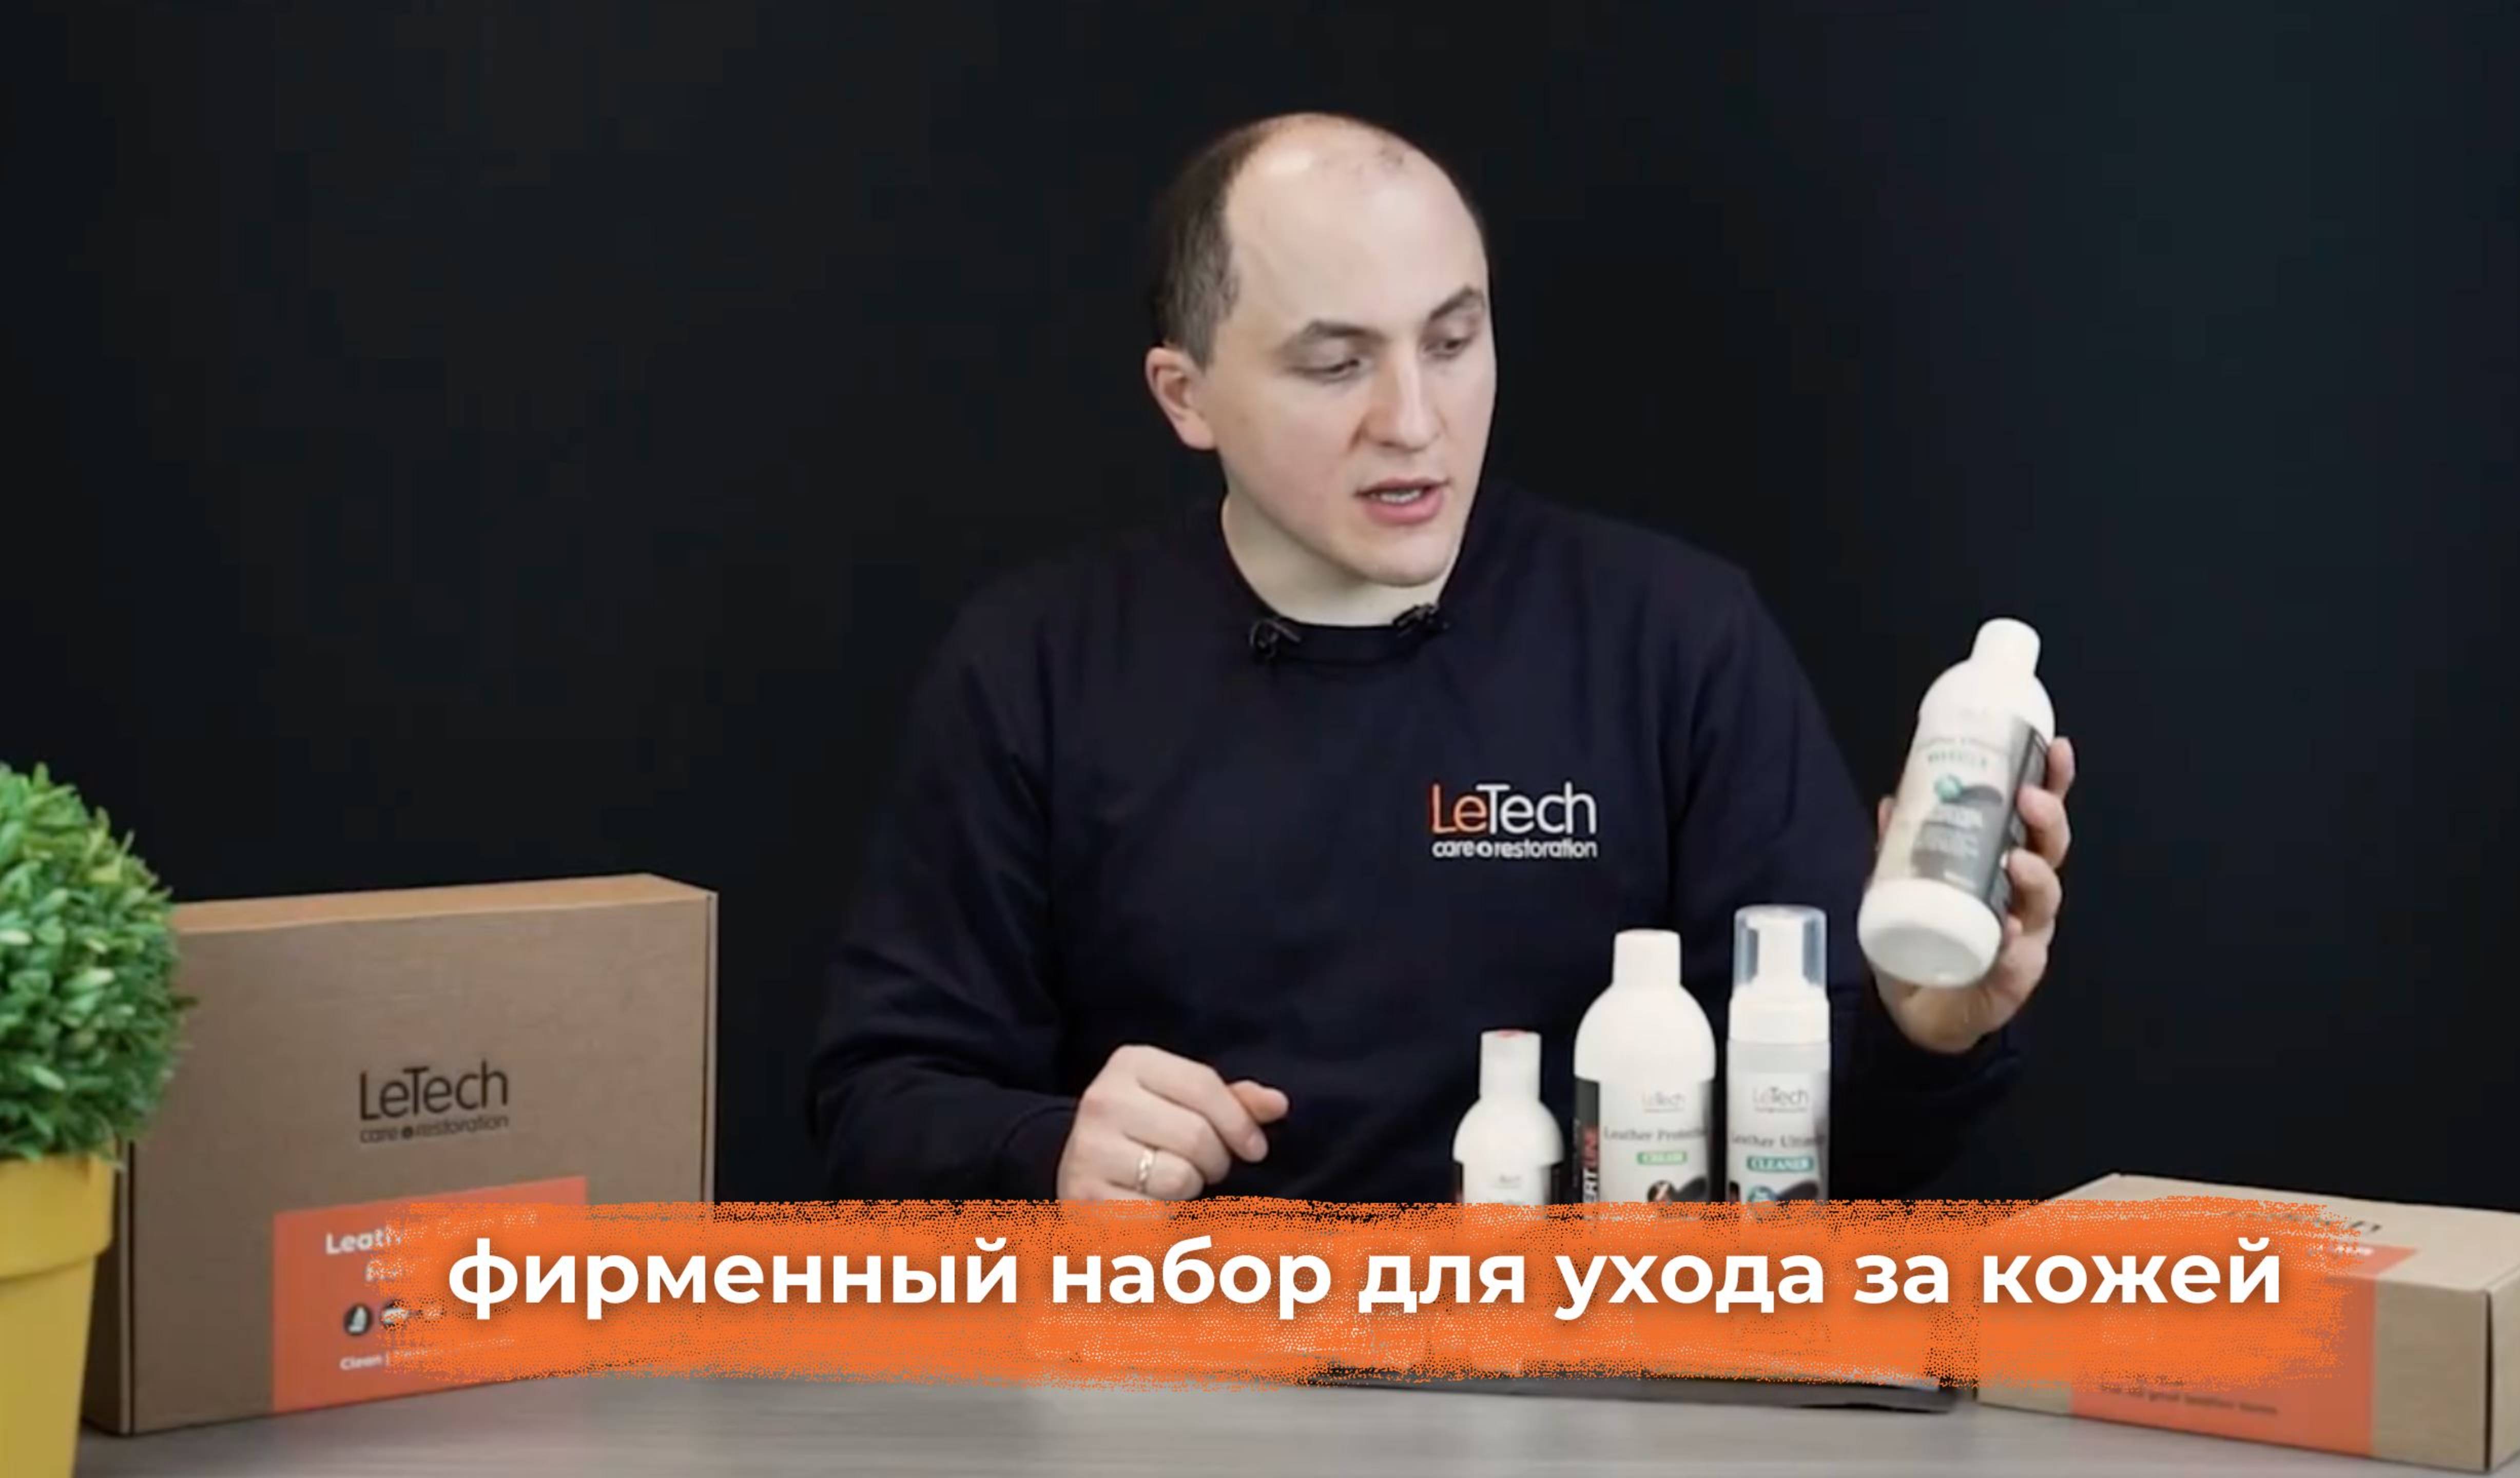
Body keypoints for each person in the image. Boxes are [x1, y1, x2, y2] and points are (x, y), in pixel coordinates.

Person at [807, 112, 2077, 1203]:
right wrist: (1051, 1153)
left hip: (1597, 1364)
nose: (1413, 422)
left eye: (1453, 342)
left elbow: (1833, 1164)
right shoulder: (1039, 665)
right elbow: (877, 1100)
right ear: (1184, 395)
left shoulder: (1676, 639)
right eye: (1335, 364)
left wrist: (1928, 1036)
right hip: (1194, 1362)